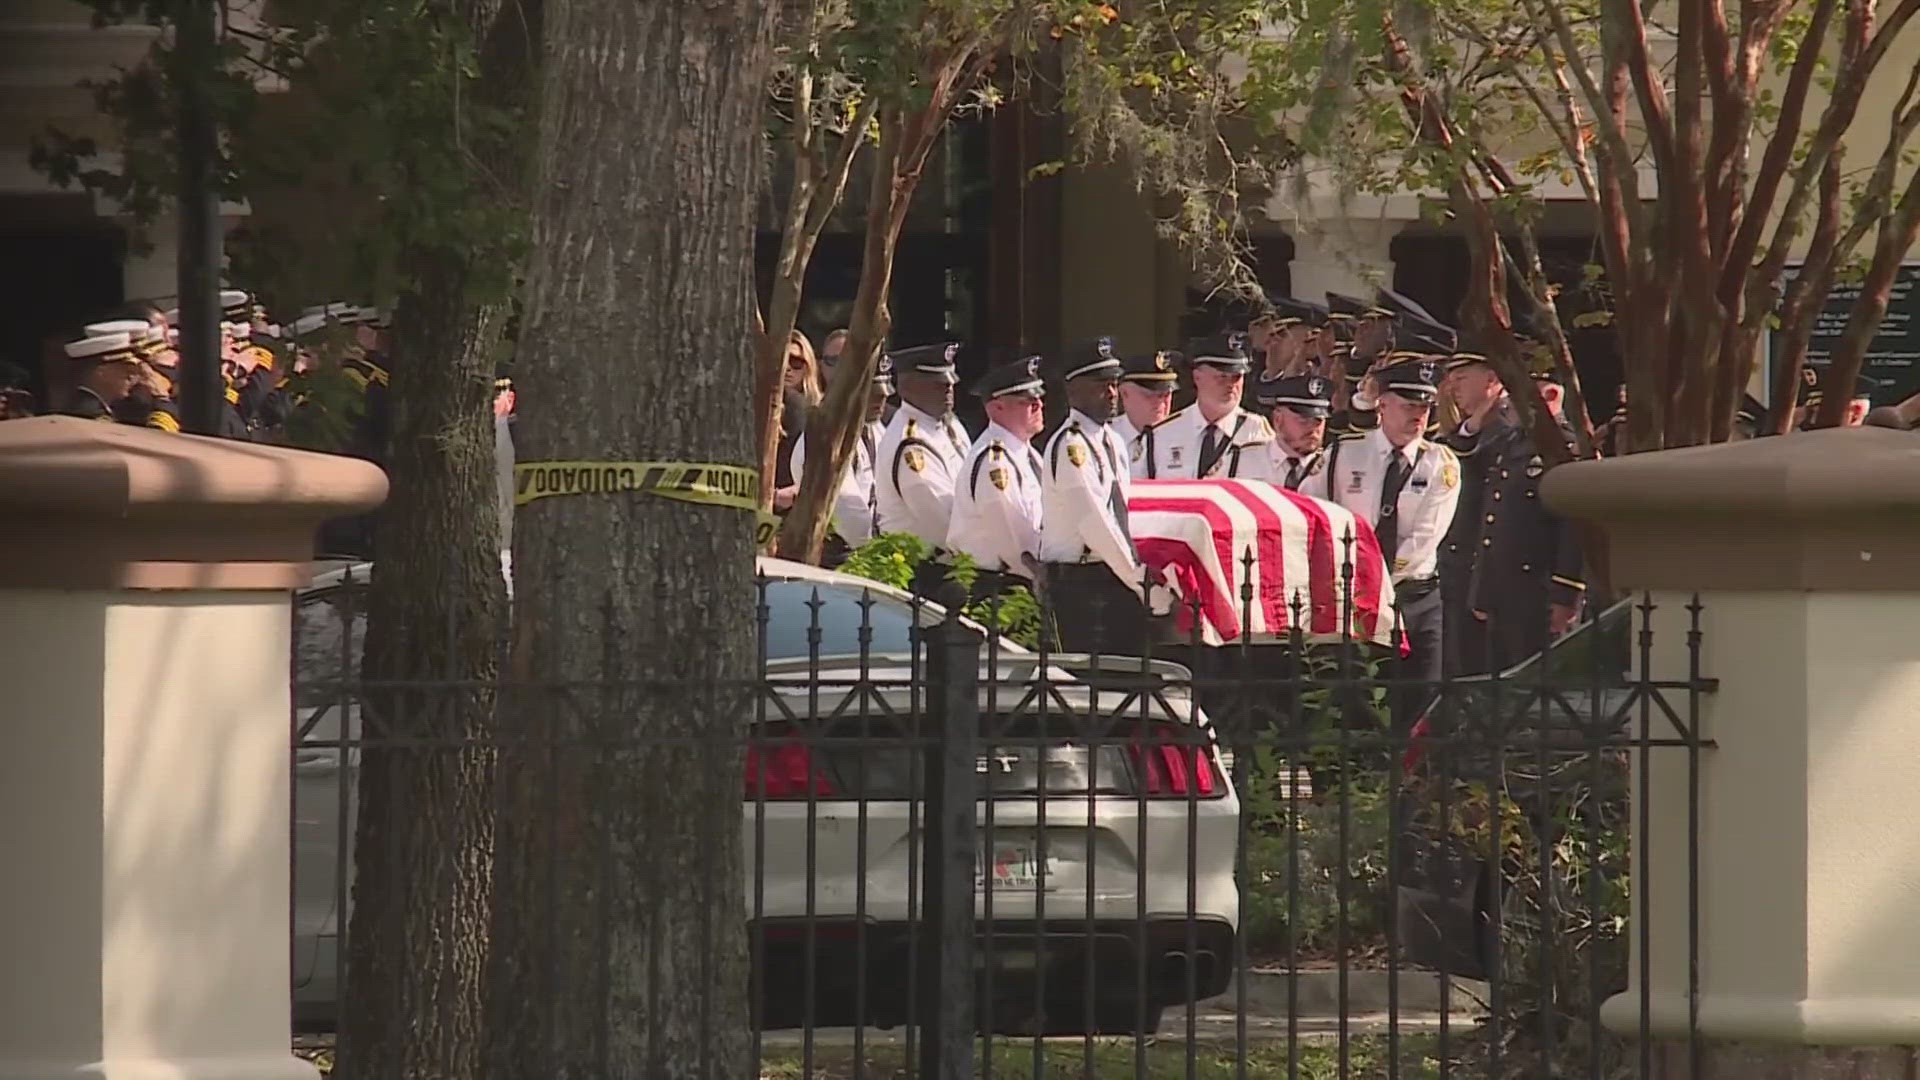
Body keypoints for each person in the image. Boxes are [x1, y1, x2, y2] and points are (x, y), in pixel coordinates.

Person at [1299, 356, 1460, 717]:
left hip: (1413, 595)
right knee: (1357, 700)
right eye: (1408, 406)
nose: (1417, 416)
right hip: (1353, 595)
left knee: (1420, 700)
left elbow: (1424, 538)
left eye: (1424, 407)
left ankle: (1415, 773)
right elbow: (1313, 510)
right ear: (1382, 405)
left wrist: (1381, 581)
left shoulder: (1441, 462)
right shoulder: (1344, 453)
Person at [944, 355, 1047, 608]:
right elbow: (1013, 538)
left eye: (1039, 399)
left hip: (1022, 578)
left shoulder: (1027, 453)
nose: (1039, 406)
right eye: (1028, 402)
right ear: (997, 408)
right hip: (1001, 586)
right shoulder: (995, 461)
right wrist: (1044, 574)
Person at [875, 341, 970, 590]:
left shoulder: (949, 426)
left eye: (950, 382)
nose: (949, 388)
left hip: (955, 565)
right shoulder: (910, 443)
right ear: (908, 387)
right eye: (938, 383)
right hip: (926, 573)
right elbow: (944, 520)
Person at [791, 357, 893, 565]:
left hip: (870, 549)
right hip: (838, 555)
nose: (881, 400)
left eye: (883, 394)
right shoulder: (825, 436)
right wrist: (874, 549)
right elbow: (847, 511)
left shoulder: (875, 431)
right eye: (873, 394)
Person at [1135, 334, 1275, 480]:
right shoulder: (1161, 435)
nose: (1231, 385)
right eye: (1222, 377)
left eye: (1237, 377)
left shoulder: (1258, 433)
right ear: (1197, 377)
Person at [1256, 372, 1333, 491]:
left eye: (1318, 421)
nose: (1312, 428)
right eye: (1303, 420)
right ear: (1278, 419)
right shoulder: (1243, 460)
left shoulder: (1332, 467)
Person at [772, 331, 823, 509]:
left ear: (808, 367)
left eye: (796, 362)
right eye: (782, 359)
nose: (787, 368)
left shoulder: (820, 411)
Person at [60, 331, 143, 422]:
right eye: (125, 369)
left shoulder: (96, 408)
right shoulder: (89, 413)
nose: (131, 376)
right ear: (101, 372)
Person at [1112, 349, 1177, 459]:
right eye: (1150, 395)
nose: (1160, 402)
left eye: (1166, 395)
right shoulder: (1106, 439)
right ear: (1124, 393)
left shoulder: (1186, 437)